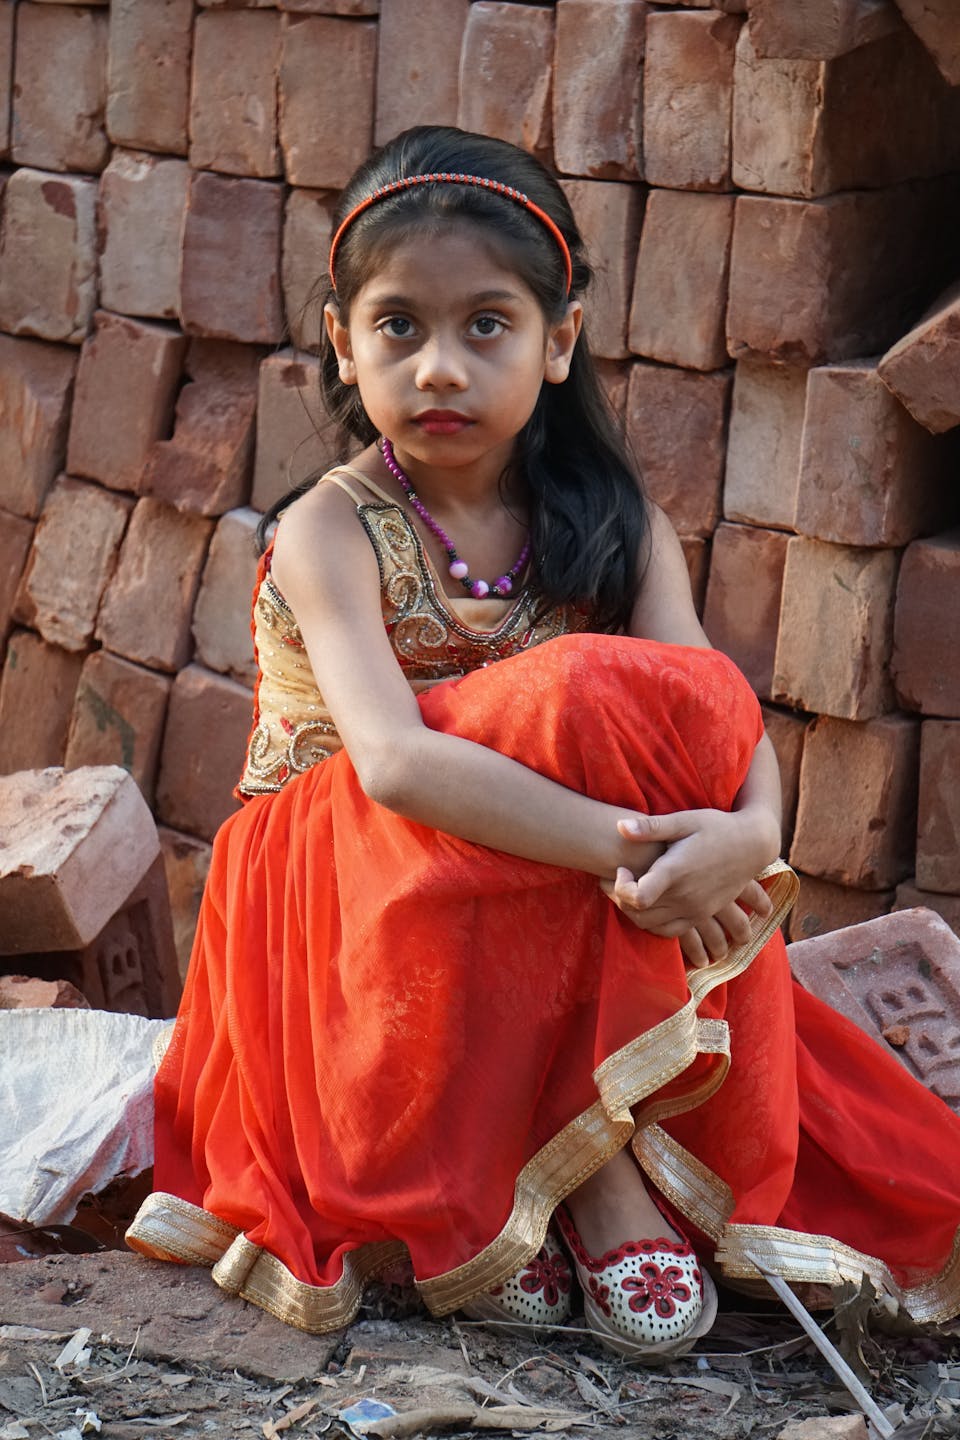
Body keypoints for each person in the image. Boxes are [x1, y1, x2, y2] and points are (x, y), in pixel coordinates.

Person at [127, 126, 960, 1360]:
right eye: (400, 327)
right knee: (569, 699)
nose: (441, 369)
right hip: (339, 894)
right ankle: (584, 1170)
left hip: (537, 882)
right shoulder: (328, 530)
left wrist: (742, 840)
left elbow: (719, 712)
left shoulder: (616, 525)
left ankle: (586, 1145)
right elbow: (399, 765)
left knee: (662, 698)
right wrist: (637, 860)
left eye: (487, 327)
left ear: (558, 341)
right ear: (343, 346)